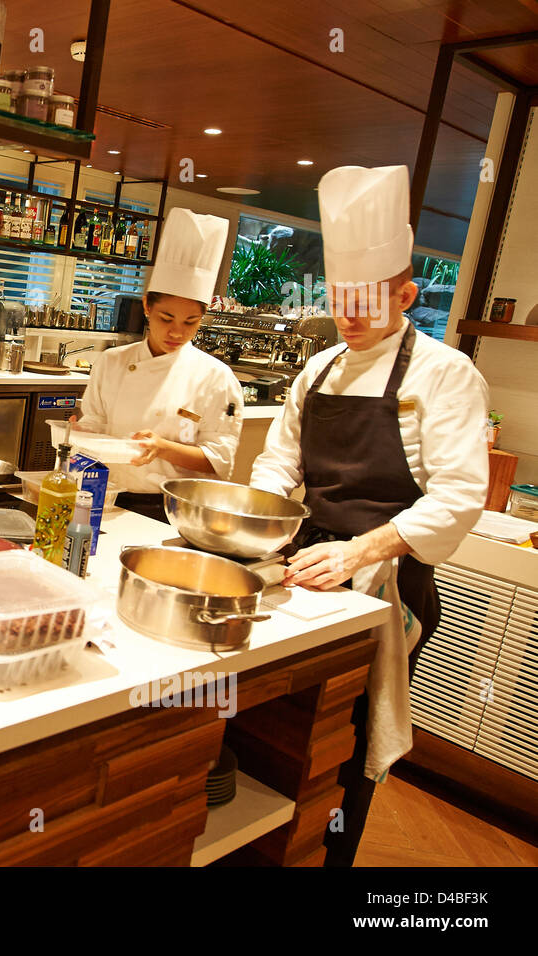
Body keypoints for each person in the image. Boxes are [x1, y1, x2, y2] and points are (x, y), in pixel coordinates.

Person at [250, 164, 489, 867]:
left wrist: (360, 552)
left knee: (347, 742)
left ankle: (335, 857)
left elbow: (458, 496)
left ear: (407, 295)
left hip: (388, 582)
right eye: (339, 300)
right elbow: (276, 464)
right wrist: (259, 525)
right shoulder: (318, 369)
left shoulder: (445, 374)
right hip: (307, 566)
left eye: (367, 303)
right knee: (285, 718)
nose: (348, 317)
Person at [73, 208, 244, 522]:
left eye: (191, 322)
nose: (177, 332)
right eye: (166, 318)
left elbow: (219, 460)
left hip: (173, 509)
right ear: (147, 307)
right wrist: (79, 434)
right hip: (106, 497)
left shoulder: (215, 377)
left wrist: (162, 447)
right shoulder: (112, 362)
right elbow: (95, 427)